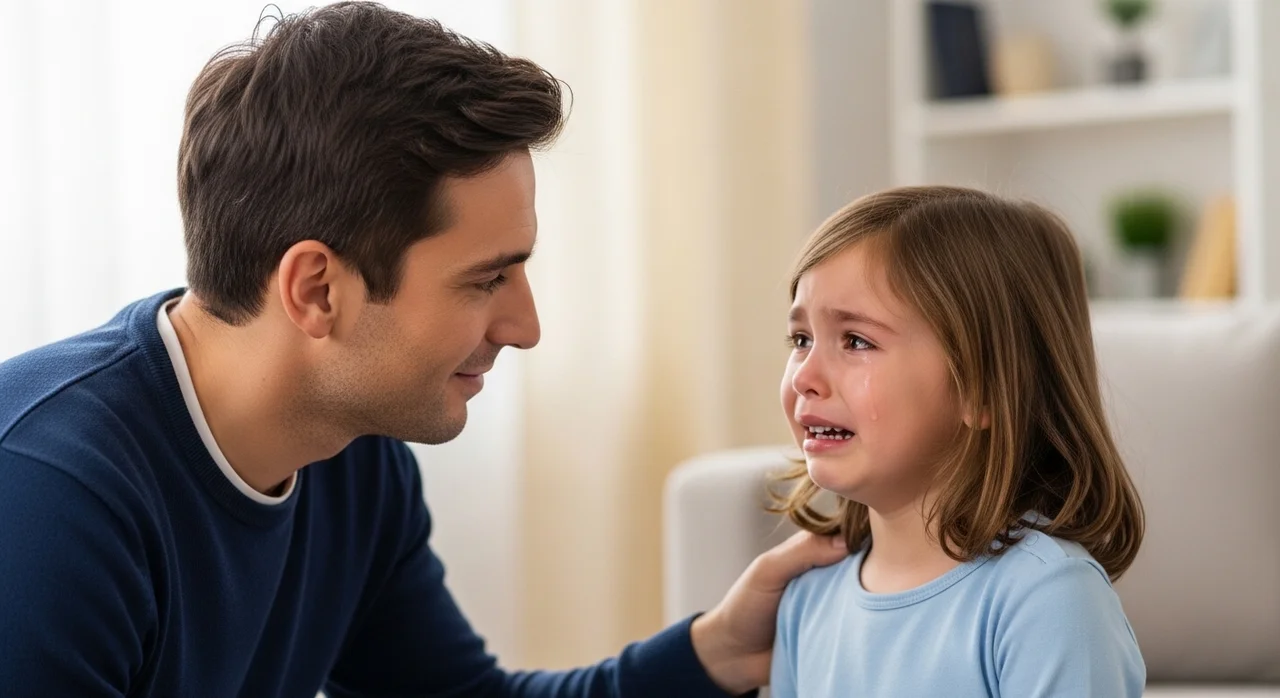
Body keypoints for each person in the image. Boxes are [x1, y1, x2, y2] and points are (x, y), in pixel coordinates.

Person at [0, 4, 847, 696]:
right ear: (317, 291)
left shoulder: (349, 453)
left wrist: (719, 651)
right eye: (487, 280)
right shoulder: (49, 501)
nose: (526, 326)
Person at [769, 186, 1147, 697]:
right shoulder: (805, 601)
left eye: (856, 341)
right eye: (801, 340)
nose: (804, 376)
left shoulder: (1051, 599)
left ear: (983, 387)